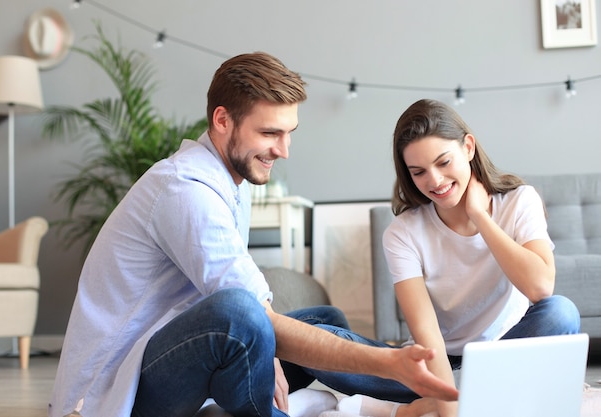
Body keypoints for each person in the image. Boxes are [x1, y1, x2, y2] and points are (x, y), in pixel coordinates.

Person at [48, 54, 458, 417]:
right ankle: (440, 389)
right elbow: (246, 313)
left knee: (322, 320)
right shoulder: (185, 189)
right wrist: (384, 362)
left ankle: (440, 393)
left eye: (289, 132)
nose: (284, 150)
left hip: (178, 357)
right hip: (113, 391)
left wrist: (267, 338)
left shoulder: (229, 181)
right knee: (240, 315)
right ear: (223, 120)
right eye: (270, 134)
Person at [338, 98, 581, 417]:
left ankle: (407, 409)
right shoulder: (402, 233)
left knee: (561, 313)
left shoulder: (520, 201)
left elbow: (540, 288)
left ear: (468, 147)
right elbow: (427, 334)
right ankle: (478, 397)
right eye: (419, 172)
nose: (435, 181)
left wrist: (480, 216)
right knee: (320, 342)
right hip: (432, 363)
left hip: (500, 354)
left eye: (443, 162)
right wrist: (450, 408)